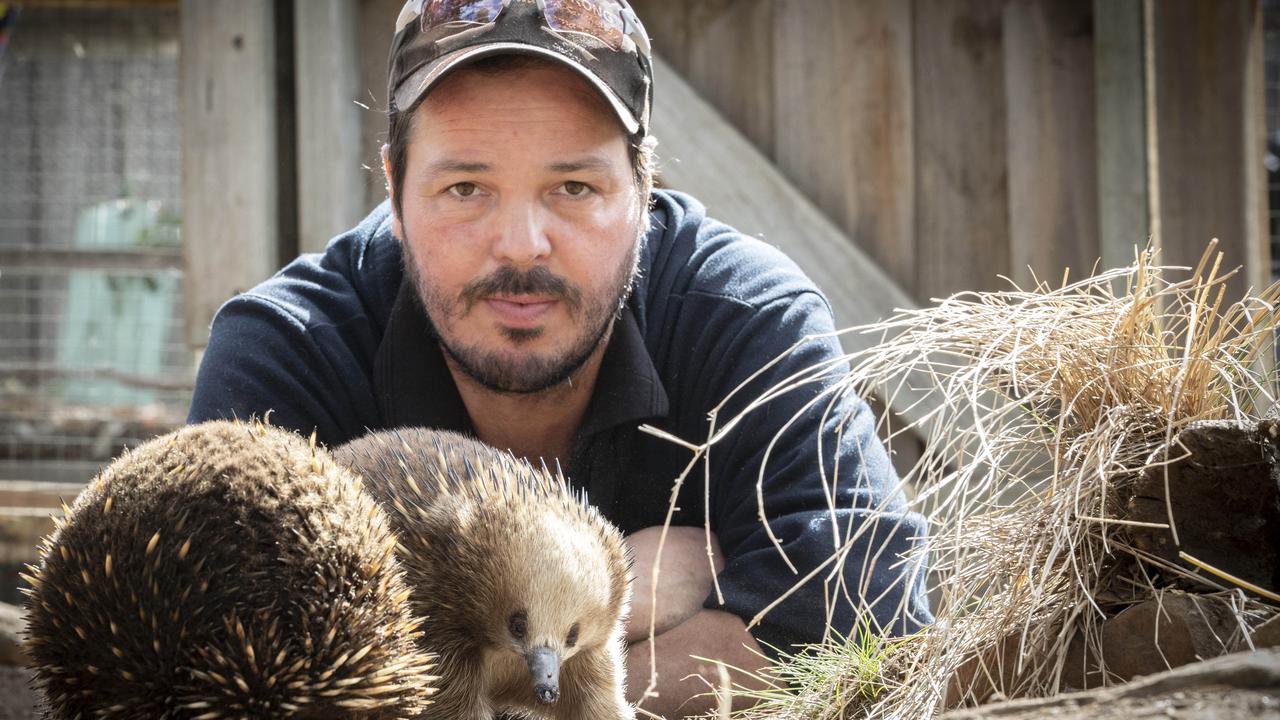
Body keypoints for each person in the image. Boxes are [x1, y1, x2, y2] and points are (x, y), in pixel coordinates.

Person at [188, 0, 932, 716]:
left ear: (643, 189)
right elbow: (208, 677)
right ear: (395, 188)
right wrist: (621, 604)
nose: (520, 244)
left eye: (573, 187)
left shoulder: (744, 321)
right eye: (465, 187)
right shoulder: (288, 352)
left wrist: (551, 687)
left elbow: (870, 623)